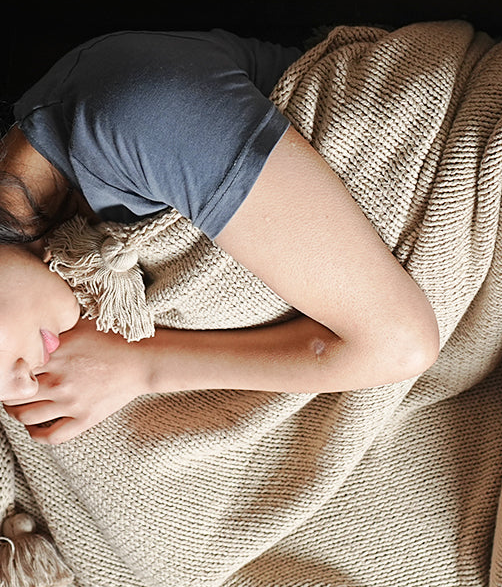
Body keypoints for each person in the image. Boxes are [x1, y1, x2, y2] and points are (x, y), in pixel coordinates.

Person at [0, 28, 441, 447]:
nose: (19, 383)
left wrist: (142, 365)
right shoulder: (54, 230)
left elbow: (400, 344)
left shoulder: (132, 117)